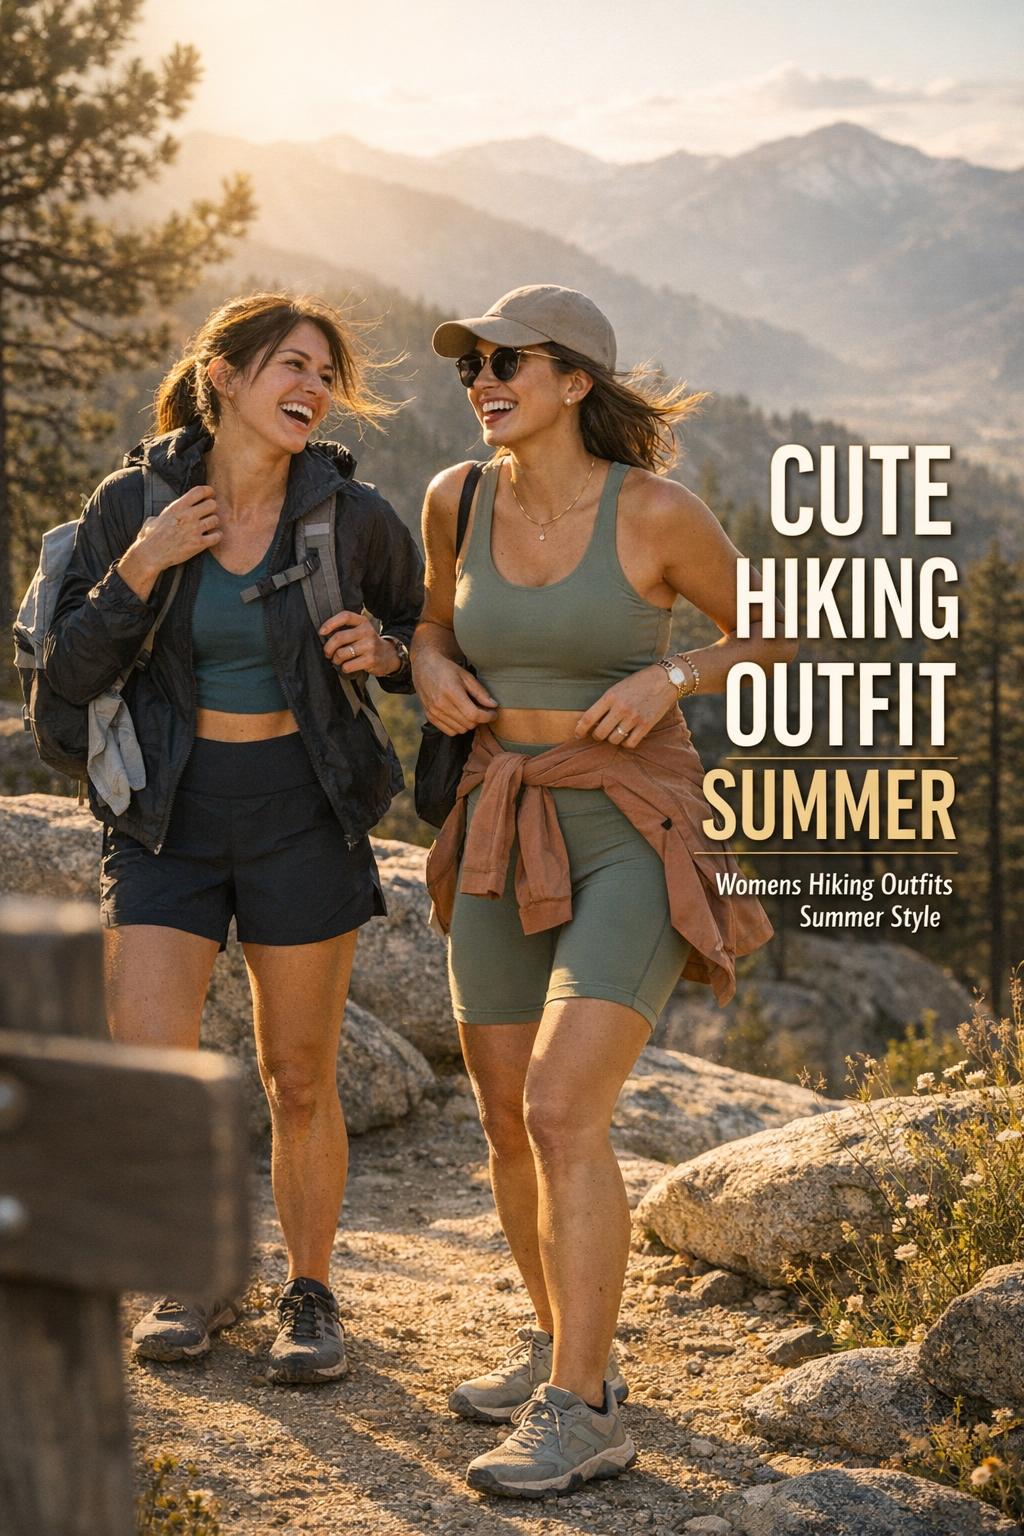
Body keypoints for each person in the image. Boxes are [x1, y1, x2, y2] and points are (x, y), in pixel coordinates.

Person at [413, 285, 790, 1497]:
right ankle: (554, 1347)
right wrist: (424, 666)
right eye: (471, 360)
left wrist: (674, 674)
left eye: (506, 359)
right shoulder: (455, 498)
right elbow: (432, 626)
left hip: (631, 828)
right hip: (497, 822)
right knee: (505, 1114)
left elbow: (777, 631)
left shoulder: (657, 515)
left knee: (566, 1109)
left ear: (574, 381)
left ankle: (584, 1409)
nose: (480, 375)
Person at [45, 291, 423, 1384]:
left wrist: (386, 652)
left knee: (297, 1076)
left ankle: (309, 1295)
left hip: (301, 811)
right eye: (291, 366)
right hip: (166, 813)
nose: (313, 389)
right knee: (155, 1060)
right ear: (224, 376)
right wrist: (144, 564)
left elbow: (417, 622)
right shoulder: (134, 503)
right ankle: (193, 1270)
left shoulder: (353, 517)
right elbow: (66, 681)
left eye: (325, 375)